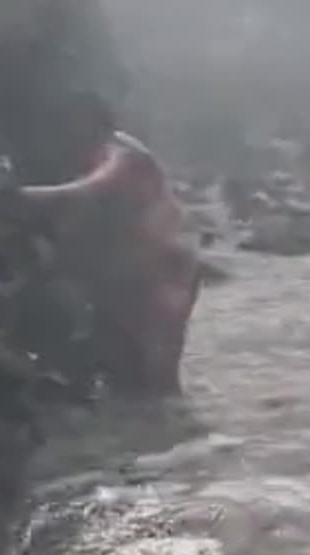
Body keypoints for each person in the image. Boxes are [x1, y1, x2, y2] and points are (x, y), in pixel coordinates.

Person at [19, 92, 199, 396]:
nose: (66, 132)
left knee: (158, 378)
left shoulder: (120, 154)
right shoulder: (79, 156)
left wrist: (23, 197)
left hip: (162, 273)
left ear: (98, 122)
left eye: (74, 123)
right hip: (120, 276)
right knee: (124, 379)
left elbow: (89, 190)